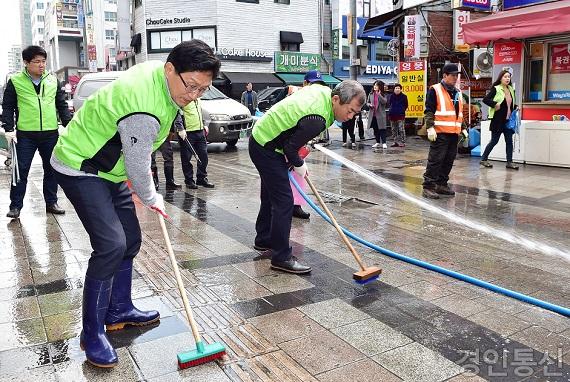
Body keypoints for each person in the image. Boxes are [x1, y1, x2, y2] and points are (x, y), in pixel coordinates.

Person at [50, 40, 220, 368]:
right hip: (80, 163)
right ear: (170, 69)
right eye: (191, 86)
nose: (194, 95)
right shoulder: (145, 105)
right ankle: (92, 333)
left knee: (130, 239)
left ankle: (118, 309)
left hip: (110, 168)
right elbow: (139, 163)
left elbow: (135, 158)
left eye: (203, 90)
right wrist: (152, 196)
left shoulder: (165, 79)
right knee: (111, 245)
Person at [249, 80, 365, 274]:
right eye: (350, 110)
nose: (350, 117)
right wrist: (298, 163)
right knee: (284, 202)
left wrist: (295, 157)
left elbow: (294, 130)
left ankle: (264, 239)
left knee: (271, 196)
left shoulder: (323, 92)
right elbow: (290, 148)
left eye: (355, 113)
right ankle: (281, 257)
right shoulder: (317, 117)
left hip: (263, 138)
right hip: (267, 147)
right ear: (336, 99)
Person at [2, 45, 72, 219]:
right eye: (37, 62)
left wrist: (68, 125)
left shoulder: (52, 80)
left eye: (43, 61)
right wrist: (9, 129)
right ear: (26, 63)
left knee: (51, 169)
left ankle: (51, 202)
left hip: (50, 133)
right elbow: (8, 106)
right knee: (21, 170)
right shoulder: (16, 81)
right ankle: (15, 206)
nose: (41, 65)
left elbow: (61, 105)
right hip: (26, 135)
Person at [422, 63, 469, 199]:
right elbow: (429, 110)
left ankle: (441, 184)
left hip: (453, 133)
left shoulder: (457, 92)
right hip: (439, 132)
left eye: (457, 75)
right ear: (444, 75)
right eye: (453, 75)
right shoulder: (435, 90)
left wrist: (464, 128)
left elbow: (458, 113)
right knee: (436, 160)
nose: (455, 78)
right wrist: (430, 127)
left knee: (448, 160)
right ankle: (429, 186)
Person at [480, 70, 519, 170]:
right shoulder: (496, 89)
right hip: (498, 120)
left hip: (508, 121)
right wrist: (494, 104)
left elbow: (509, 104)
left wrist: (516, 107)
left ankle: (509, 162)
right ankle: (484, 159)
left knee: (509, 141)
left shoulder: (511, 89)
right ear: (501, 78)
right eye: (505, 77)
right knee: (494, 141)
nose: (507, 78)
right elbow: (485, 99)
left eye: (509, 77)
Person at [175, 97, 215, 189]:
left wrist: (203, 124)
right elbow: (177, 114)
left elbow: (200, 112)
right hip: (188, 133)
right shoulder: (183, 99)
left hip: (200, 131)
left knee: (203, 156)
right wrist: (180, 128)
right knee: (186, 158)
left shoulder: (198, 99)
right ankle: (189, 180)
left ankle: (201, 178)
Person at [367, 81, 388, 149]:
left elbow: (384, 102)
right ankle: (377, 142)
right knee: (375, 129)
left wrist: (379, 95)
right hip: (373, 115)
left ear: (380, 86)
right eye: (374, 85)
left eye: (376, 85)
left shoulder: (383, 94)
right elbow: (367, 102)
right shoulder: (371, 94)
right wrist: (369, 105)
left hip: (380, 115)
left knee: (382, 129)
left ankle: (384, 143)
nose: (375, 87)